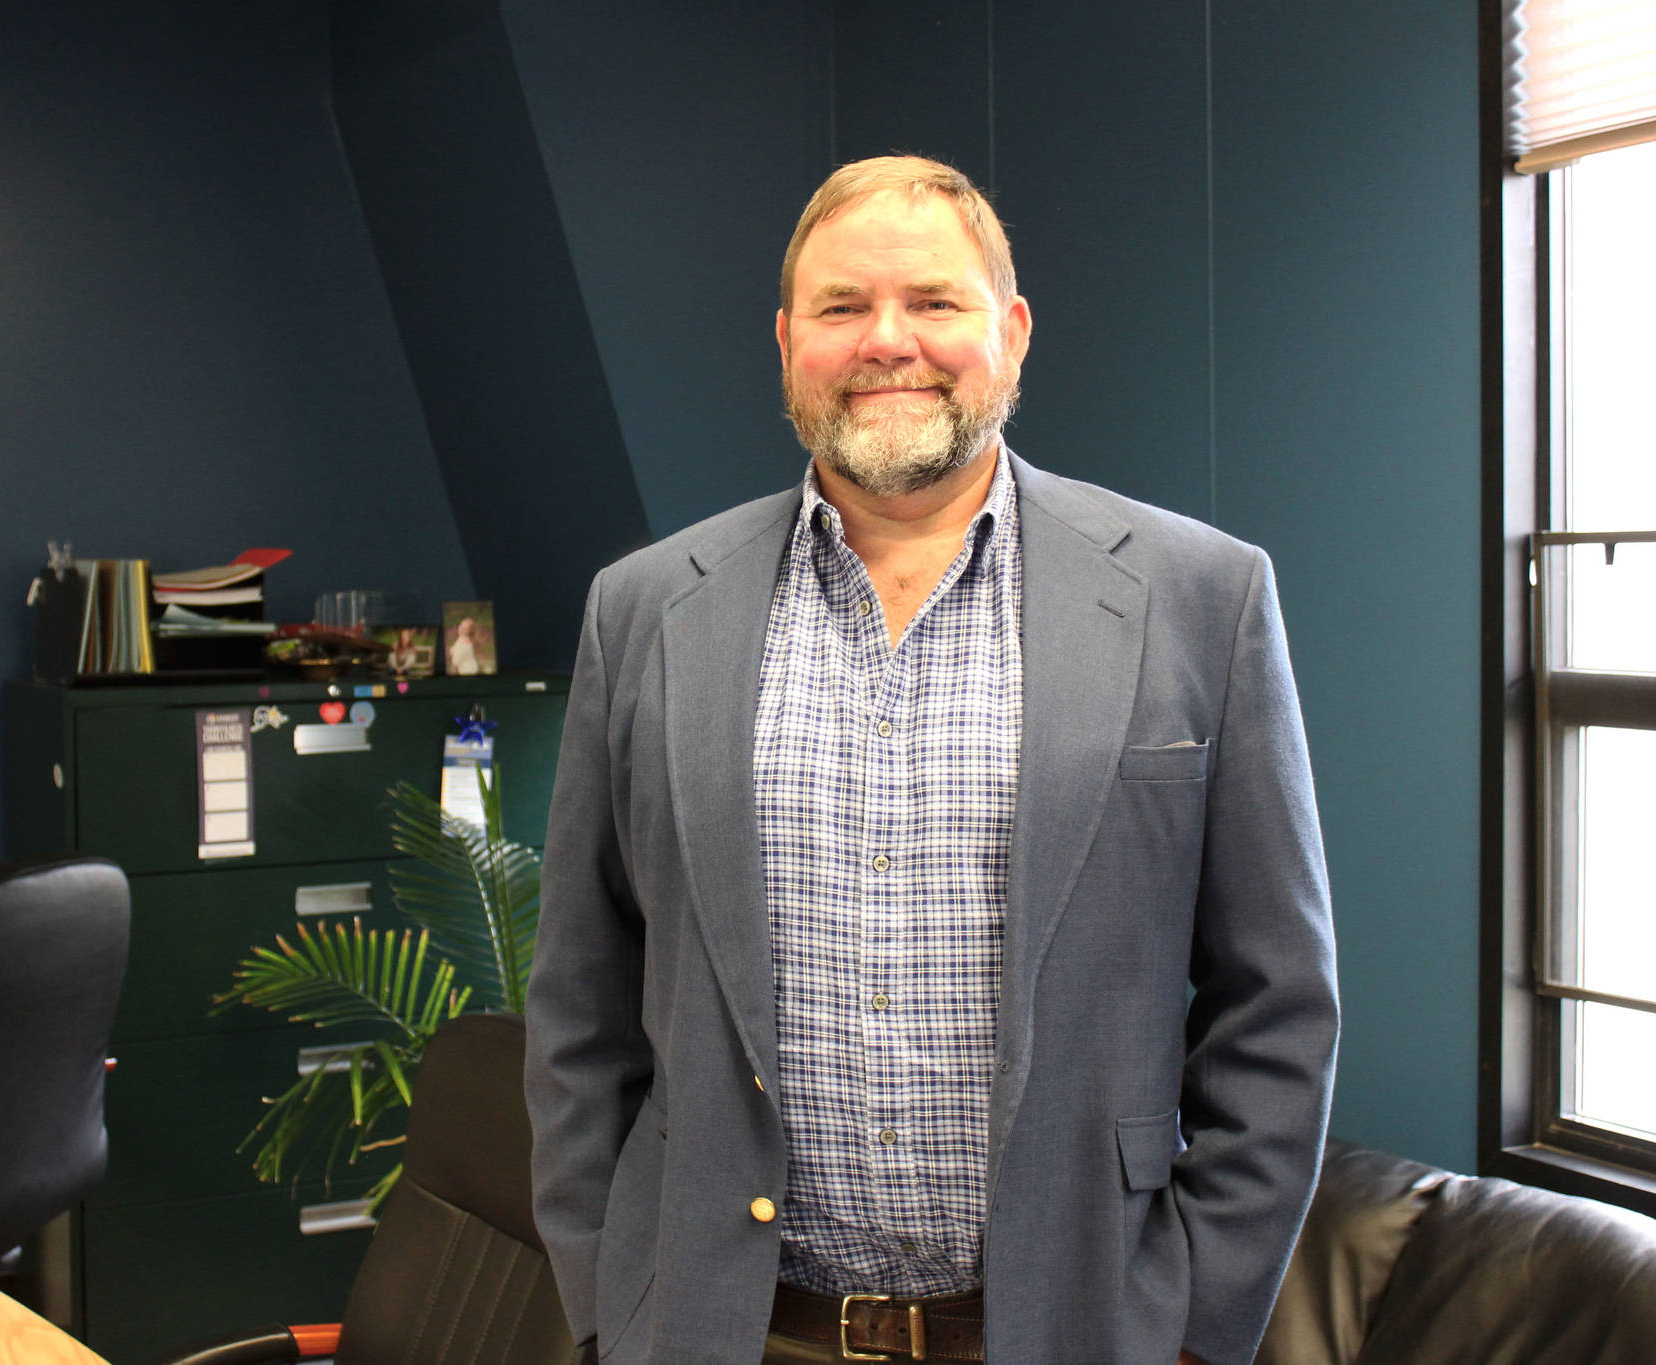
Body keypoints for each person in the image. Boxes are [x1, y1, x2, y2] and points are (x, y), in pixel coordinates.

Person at [525, 155, 1338, 1365]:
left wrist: (1189, 1322)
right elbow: (581, 998)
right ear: (789, 340)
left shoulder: (1198, 598)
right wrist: (608, 1301)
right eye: (842, 308)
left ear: (1008, 332)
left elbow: (1276, 1005)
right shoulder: (644, 608)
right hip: (721, 1329)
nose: (886, 341)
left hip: (1072, 1327)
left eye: (935, 304)